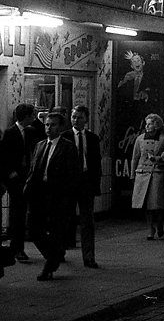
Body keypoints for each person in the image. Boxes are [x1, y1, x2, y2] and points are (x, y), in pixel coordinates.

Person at [24, 112, 81, 281]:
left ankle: (48, 268)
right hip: (39, 194)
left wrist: (68, 198)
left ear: (61, 127)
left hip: (58, 195)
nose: (49, 128)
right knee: (33, 228)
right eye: (47, 125)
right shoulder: (40, 145)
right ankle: (54, 255)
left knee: (55, 232)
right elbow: (34, 170)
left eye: (53, 125)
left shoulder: (68, 147)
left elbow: (73, 175)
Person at [1, 104, 46, 263]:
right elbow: (4, 156)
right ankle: (17, 248)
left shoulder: (32, 132)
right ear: (26, 116)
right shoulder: (10, 133)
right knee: (17, 215)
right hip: (16, 179)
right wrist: (10, 172)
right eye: (32, 115)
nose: (34, 118)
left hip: (30, 177)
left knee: (31, 213)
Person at [63, 105, 102, 268]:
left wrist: (95, 184)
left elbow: (96, 162)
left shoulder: (92, 138)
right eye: (73, 117)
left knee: (87, 221)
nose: (76, 120)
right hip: (69, 183)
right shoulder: (65, 137)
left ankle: (88, 256)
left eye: (79, 117)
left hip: (86, 182)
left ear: (86, 119)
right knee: (64, 219)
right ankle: (60, 252)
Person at [131, 113, 164, 240]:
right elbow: (135, 157)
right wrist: (132, 174)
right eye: (146, 124)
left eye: (150, 124)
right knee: (145, 204)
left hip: (157, 173)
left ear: (157, 125)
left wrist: (158, 159)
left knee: (156, 203)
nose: (147, 126)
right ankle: (150, 228)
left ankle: (159, 222)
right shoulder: (140, 139)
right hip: (142, 173)